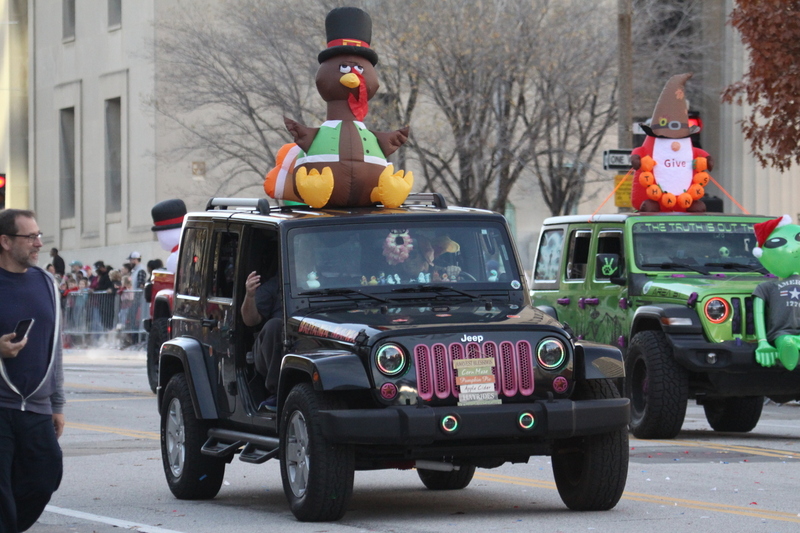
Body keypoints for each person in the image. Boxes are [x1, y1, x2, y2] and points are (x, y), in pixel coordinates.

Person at [0, 209, 65, 533]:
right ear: (6, 241)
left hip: (36, 407)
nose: (39, 243)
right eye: (31, 237)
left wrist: (58, 405)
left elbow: (55, 350)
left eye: (40, 235)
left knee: (45, 477)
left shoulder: (47, 283)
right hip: (0, 406)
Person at [241, 267, 282, 411]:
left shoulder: (335, 283)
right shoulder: (275, 285)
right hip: (276, 351)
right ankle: (277, 392)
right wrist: (250, 296)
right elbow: (250, 320)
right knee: (275, 325)